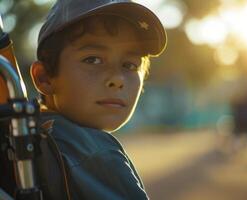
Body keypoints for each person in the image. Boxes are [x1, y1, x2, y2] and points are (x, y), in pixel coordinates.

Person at [30, 0, 167, 199]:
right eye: (92, 59)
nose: (117, 79)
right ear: (44, 77)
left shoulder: (29, 132)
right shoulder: (96, 152)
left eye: (129, 65)